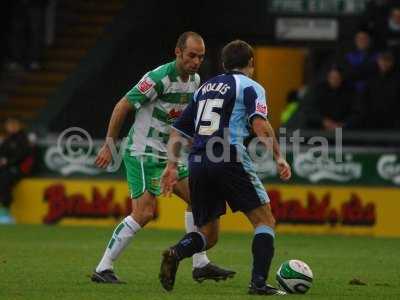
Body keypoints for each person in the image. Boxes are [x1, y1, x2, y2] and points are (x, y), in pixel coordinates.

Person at [91, 31, 235, 284]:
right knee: (144, 213)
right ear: (178, 52)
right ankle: (103, 267)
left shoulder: (195, 80)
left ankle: (200, 264)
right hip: (143, 152)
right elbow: (122, 105)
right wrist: (109, 144)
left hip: (169, 155)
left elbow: (183, 120)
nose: (196, 61)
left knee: (199, 198)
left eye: (200, 57)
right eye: (191, 55)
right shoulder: (158, 78)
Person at [159, 40, 291, 295]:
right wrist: (278, 156)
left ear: (223, 64)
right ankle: (259, 283)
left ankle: (176, 252)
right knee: (265, 220)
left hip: (197, 160)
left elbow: (177, 131)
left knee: (208, 235)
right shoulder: (250, 86)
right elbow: (260, 125)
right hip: (227, 155)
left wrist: (171, 166)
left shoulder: (205, 87)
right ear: (251, 63)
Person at [0, 118, 35, 224]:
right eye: (9, 125)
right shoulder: (7, 139)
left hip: (19, 169)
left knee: (4, 179)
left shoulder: (23, 139)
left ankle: (5, 212)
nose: (11, 127)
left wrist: (7, 162)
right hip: (7, 168)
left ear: (19, 125)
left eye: (13, 124)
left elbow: (22, 156)